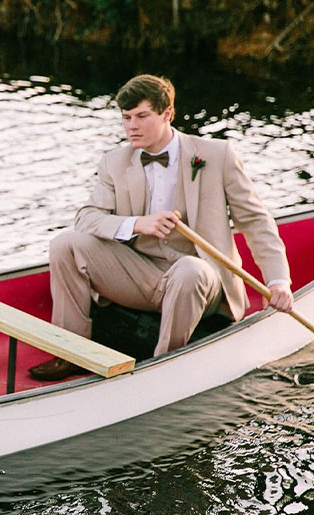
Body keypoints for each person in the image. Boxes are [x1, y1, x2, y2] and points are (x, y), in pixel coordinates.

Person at [29, 74, 293, 381]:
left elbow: (256, 220)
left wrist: (278, 280)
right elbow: (87, 217)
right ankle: (72, 352)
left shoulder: (217, 155)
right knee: (65, 244)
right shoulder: (114, 161)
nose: (132, 127)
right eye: (126, 118)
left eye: (142, 116)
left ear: (167, 113)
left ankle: (162, 368)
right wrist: (139, 224)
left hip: (201, 280)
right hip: (141, 275)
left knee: (189, 270)